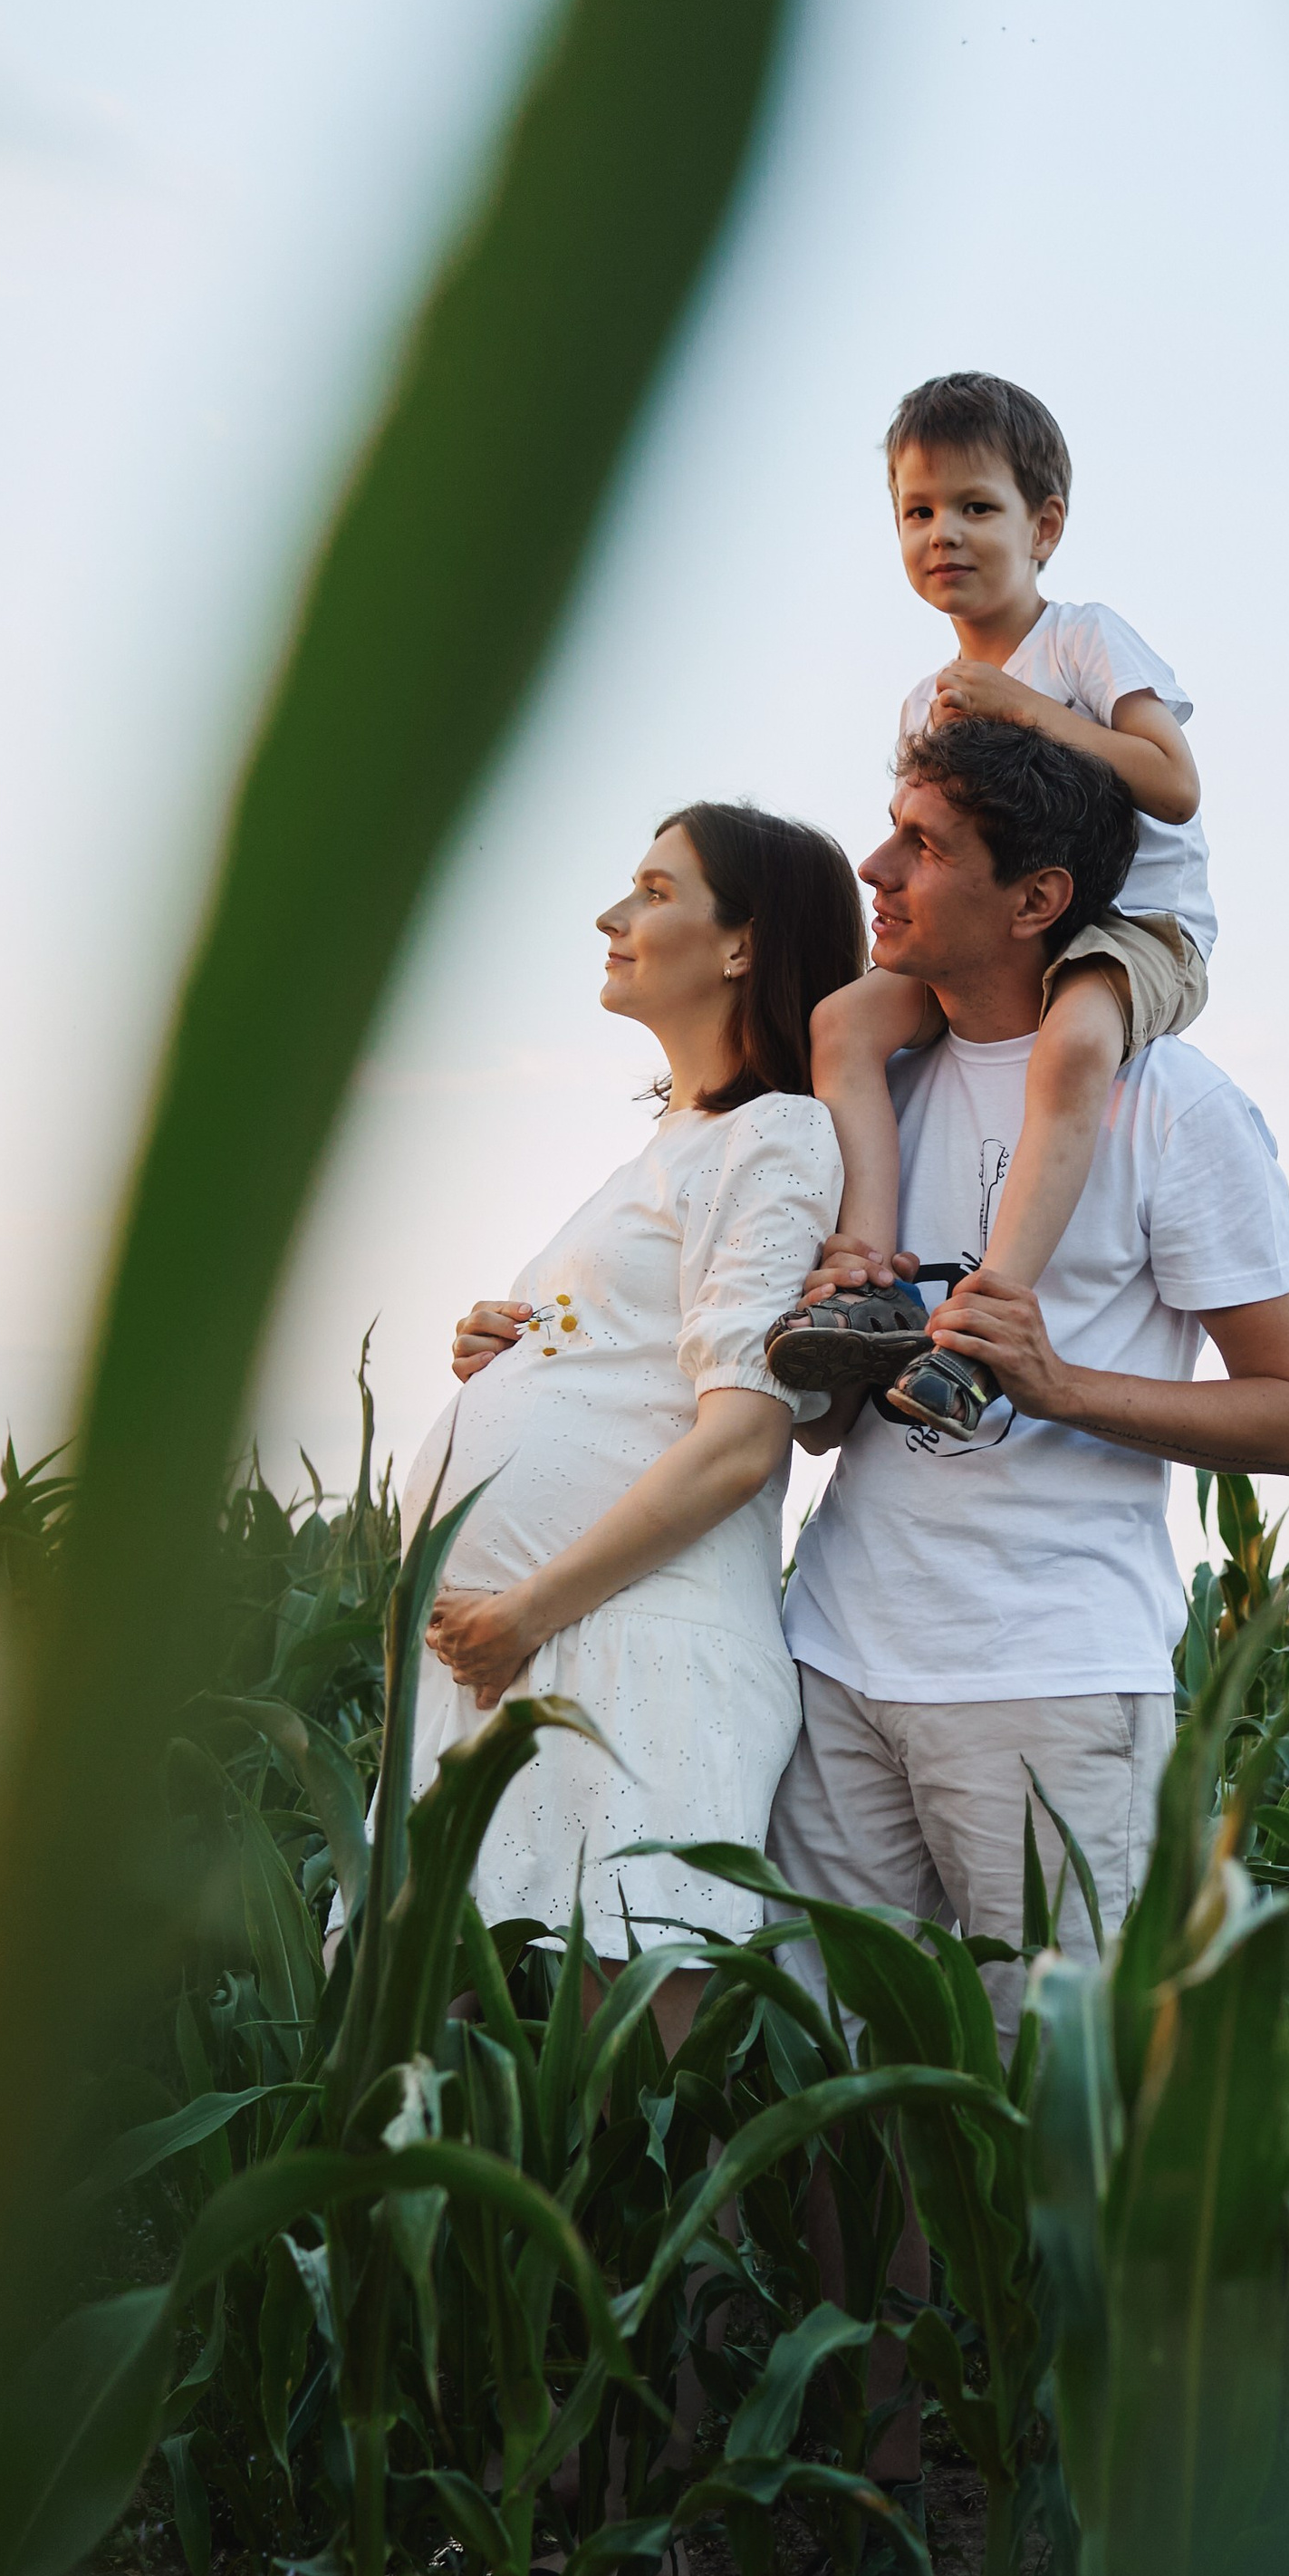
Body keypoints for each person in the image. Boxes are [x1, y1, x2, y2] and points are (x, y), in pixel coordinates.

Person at [760, 715, 1289, 2576]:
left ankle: (1070, 2537)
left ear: (1036, 898)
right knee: (846, 2097)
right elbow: (833, 1411)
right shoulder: (880, 1073)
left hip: (1049, 1680)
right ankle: (868, 2479)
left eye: (913, 844)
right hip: (842, 1646)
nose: (874, 869)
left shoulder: (1174, 1107)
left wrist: (1056, 1381)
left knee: (1043, 2113)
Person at [413, 801, 853, 2051]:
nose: (614, 918)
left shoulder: (772, 1137)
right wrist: (508, 1352)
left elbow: (743, 1439)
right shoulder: (663, 1148)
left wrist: (522, 1613)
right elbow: (628, 1364)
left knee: (644, 2101)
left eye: (655, 891)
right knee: (457, 2085)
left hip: (630, 1663)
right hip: (522, 1663)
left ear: (739, 946)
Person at [787, 371, 1214, 1437]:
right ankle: (874, 1276)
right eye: (918, 512)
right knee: (844, 1021)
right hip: (996, 936)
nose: (946, 534)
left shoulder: (1080, 639)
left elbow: (1172, 782)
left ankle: (988, 1321)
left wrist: (1022, 706)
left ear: (1044, 526)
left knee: (1073, 1049)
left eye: (977, 508)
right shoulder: (919, 699)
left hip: (1129, 930)